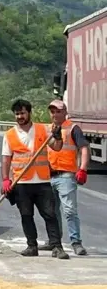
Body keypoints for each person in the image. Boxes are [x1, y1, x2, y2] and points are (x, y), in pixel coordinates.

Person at [1, 98, 66, 260]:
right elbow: (6, 159)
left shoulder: (42, 130)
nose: (20, 117)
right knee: (26, 215)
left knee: (50, 215)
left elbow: (57, 147)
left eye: (22, 113)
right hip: (22, 183)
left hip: (42, 182)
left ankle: (57, 247)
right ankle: (32, 246)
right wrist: (5, 179)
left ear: (29, 113)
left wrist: (58, 137)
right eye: (17, 114)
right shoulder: (9, 135)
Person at [48, 98, 90, 256]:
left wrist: (82, 169)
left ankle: (76, 242)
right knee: (51, 212)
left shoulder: (73, 128)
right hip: (49, 175)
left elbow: (84, 148)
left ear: (65, 112)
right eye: (53, 112)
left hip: (66, 175)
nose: (55, 114)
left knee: (70, 211)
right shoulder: (47, 130)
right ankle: (54, 242)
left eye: (58, 111)